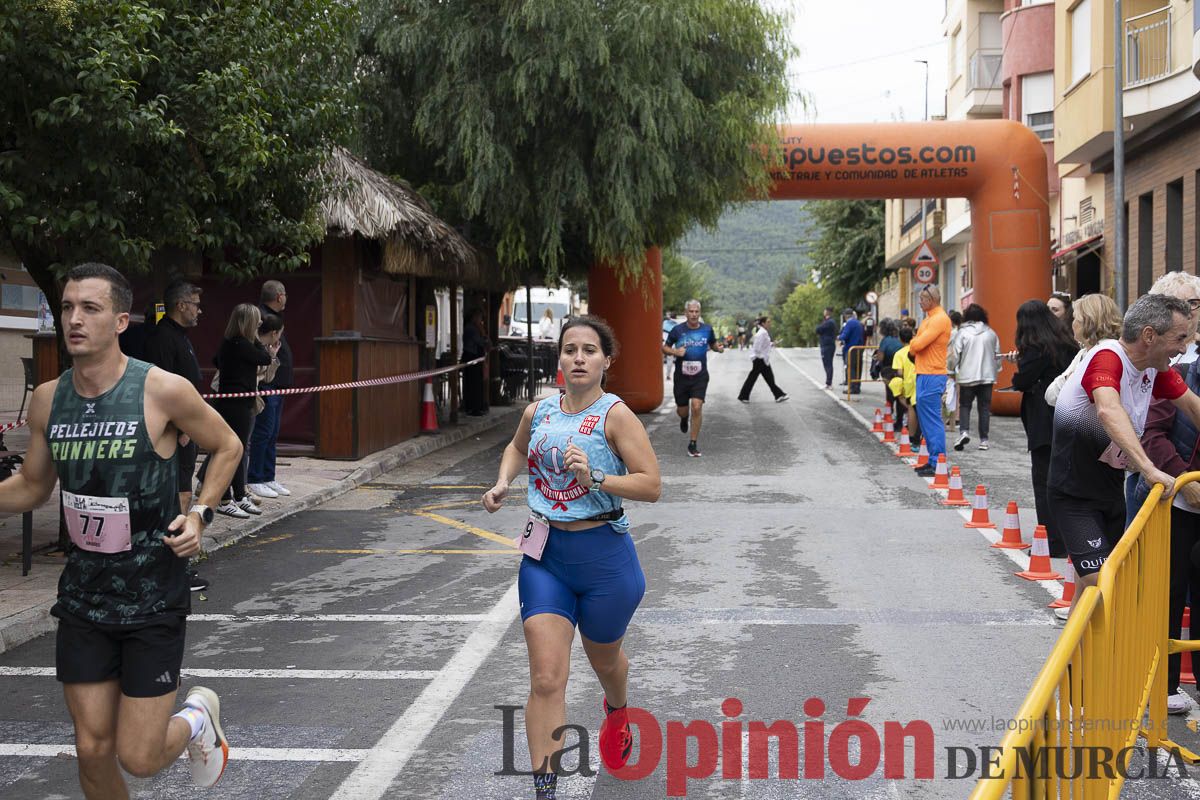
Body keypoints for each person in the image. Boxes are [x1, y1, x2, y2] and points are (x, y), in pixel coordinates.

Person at [0, 262, 242, 795]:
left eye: (90, 308)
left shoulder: (160, 390)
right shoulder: (48, 398)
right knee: (91, 749)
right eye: (67, 307)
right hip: (85, 595)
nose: (74, 319)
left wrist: (200, 513)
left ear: (121, 321)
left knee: (140, 756)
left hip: (153, 595)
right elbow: (32, 486)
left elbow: (228, 445)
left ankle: (198, 716)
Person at [481, 315, 661, 800]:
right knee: (545, 677)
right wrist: (503, 483)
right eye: (569, 350)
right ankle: (546, 789)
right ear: (558, 358)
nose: (578, 358)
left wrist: (598, 479)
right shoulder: (538, 412)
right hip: (546, 558)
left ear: (607, 360)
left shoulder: (616, 415)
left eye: (589, 350)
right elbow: (516, 450)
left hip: (605, 561)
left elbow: (651, 484)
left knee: (605, 662)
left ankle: (617, 710)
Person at [1049, 294, 1200, 605]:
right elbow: (1108, 410)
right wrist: (1149, 468)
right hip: (1074, 496)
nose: (1184, 348)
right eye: (1180, 338)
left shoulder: (1151, 369)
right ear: (1149, 336)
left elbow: (1192, 406)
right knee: (1108, 585)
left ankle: (1073, 656)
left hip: (1109, 493)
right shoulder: (1108, 357)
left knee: (1088, 594)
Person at [1132, 328, 1200, 714]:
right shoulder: (1180, 375)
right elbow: (1152, 433)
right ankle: (1166, 682)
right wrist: (1181, 483)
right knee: (1170, 593)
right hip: (1179, 500)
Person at [143, 279, 210, 592]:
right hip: (176, 432)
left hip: (187, 427)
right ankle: (174, 568)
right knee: (179, 498)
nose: (199, 310)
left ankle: (177, 566)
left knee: (183, 494)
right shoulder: (163, 337)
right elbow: (161, 386)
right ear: (181, 305)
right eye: (195, 304)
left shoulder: (181, 336)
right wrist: (179, 427)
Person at [1007, 300, 1079, 559]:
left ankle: (1052, 540)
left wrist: (1020, 368)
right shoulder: (1066, 342)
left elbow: (1022, 381)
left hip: (1043, 421)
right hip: (1069, 415)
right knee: (1066, 480)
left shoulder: (1036, 348)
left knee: (1044, 480)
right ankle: (1071, 535)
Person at [197, 304, 271, 518]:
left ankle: (239, 495)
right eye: (256, 321)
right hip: (234, 405)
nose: (259, 324)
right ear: (248, 323)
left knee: (238, 450)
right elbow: (264, 358)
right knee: (232, 450)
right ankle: (225, 498)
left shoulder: (230, 343)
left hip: (240, 403)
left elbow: (216, 360)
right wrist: (257, 338)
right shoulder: (239, 344)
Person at [245, 280, 291, 499]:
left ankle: (268, 476)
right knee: (262, 433)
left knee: (272, 433)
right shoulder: (259, 317)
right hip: (265, 383)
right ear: (279, 296)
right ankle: (255, 478)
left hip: (278, 383)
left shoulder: (276, 317)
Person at [662, 299, 724, 457]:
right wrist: (675, 352)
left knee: (697, 406)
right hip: (681, 377)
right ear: (686, 313)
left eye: (697, 312)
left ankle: (693, 443)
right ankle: (684, 419)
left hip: (700, 376)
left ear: (700, 313)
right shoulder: (677, 330)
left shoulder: (707, 330)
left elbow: (713, 345)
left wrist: (719, 349)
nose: (694, 314)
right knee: (682, 411)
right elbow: (665, 347)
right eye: (691, 311)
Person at [1045, 293, 1123, 408]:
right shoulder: (1085, 352)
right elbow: (1050, 395)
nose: (1073, 323)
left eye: (1076, 318)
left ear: (1088, 322)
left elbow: (1107, 407)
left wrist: (1068, 379)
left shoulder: (1105, 353)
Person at [908, 285, 952, 477]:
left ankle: (938, 462)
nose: (919, 301)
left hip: (932, 375)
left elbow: (918, 343)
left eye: (922, 298)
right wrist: (913, 346)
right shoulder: (930, 318)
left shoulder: (939, 319)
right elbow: (916, 344)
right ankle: (933, 460)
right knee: (926, 421)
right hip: (925, 373)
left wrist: (913, 346)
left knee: (932, 421)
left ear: (931, 299)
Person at [951, 303, 1001, 451]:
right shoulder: (991, 333)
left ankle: (964, 431)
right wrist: (996, 369)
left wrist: (951, 369)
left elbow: (955, 355)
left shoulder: (963, 333)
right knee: (984, 407)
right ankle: (984, 440)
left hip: (967, 376)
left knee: (965, 405)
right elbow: (997, 355)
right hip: (987, 376)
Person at [737, 316, 789, 403]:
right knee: (754, 378)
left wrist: (773, 343)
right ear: (763, 323)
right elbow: (757, 347)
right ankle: (743, 396)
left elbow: (765, 344)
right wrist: (760, 357)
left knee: (769, 378)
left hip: (762, 359)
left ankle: (778, 395)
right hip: (759, 359)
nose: (770, 323)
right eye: (768, 322)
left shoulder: (764, 332)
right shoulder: (761, 333)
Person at [888, 326, 919, 446]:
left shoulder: (899, 354)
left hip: (909, 383)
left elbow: (899, 372)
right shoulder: (917, 349)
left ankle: (912, 437)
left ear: (900, 339)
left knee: (911, 409)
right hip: (921, 379)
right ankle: (921, 435)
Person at [462, 308, 491, 416]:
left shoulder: (475, 328)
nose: (480, 320)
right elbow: (481, 342)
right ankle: (473, 407)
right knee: (473, 384)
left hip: (477, 358)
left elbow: (487, 343)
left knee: (478, 384)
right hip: (471, 357)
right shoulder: (471, 329)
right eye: (479, 318)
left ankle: (478, 406)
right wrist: (484, 336)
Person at [837, 309, 865, 393]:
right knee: (858, 368)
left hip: (851, 349)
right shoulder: (858, 323)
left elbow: (845, 335)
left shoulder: (849, 324)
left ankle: (852, 388)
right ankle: (857, 386)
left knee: (851, 368)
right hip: (859, 348)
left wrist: (839, 337)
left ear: (845, 316)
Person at [815, 307, 838, 389]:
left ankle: (829, 383)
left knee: (828, 364)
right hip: (827, 344)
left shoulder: (829, 322)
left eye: (824, 311)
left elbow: (818, 329)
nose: (823, 312)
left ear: (827, 312)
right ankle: (828, 382)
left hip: (827, 345)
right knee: (827, 364)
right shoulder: (828, 322)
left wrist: (818, 327)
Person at [662, 312, 677, 382]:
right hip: (671, 345)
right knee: (669, 360)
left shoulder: (665, 322)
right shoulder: (676, 325)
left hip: (662, 343)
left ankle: (658, 373)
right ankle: (668, 375)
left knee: (660, 360)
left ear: (670, 316)